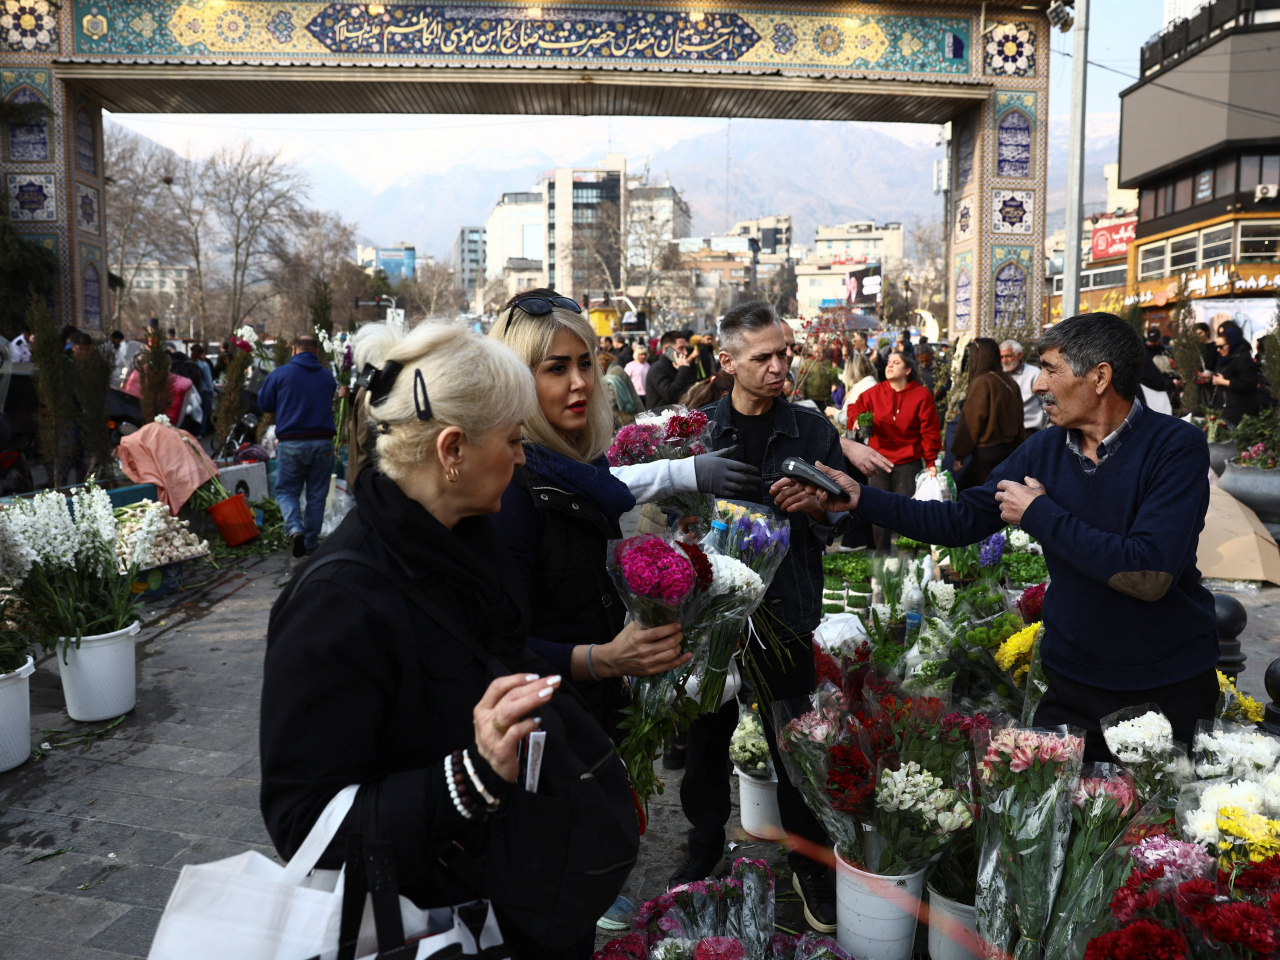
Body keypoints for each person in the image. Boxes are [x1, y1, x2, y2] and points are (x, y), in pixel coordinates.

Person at [261, 321, 631, 959]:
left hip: (514, 900)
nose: (521, 458)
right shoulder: (336, 603)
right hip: (431, 927)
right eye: (513, 440)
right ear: (452, 449)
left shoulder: (462, 540)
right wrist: (470, 774)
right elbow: (308, 832)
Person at [776, 312, 1219, 765]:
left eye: (1050, 369)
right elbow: (959, 521)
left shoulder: (1174, 447)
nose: (1037, 385)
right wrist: (859, 499)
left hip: (1164, 685)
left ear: (1100, 376)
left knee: (1159, 832)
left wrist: (1040, 514)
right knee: (1057, 825)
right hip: (1073, 684)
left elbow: (1148, 571)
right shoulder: (1045, 450)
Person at [487, 291, 758, 932]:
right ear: (513, 379)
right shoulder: (512, 488)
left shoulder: (585, 469)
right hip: (540, 740)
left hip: (588, 722)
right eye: (555, 368)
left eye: (585, 361)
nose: (580, 382)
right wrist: (596, 658)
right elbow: (495, 648)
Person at [675, 300, 847, 933]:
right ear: (727, 363)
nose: (779, 367)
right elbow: (666, 516)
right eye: (763, 358)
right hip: (711, 616)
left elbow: (843, 515)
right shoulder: (696, 433)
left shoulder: (810, 431)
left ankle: (809, 863)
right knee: (705, 739)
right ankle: (702, 845)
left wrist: (820, 506)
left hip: (787, 607)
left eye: (785, 354)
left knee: (794, 742)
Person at [846, 348, 941, 550]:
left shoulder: (921, 395)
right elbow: (855, 407)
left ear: (907, 370)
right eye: (888, 362)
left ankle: (908, 561)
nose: (889, 365)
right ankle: (882, 561)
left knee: (906, 513)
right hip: (878, 460)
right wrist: (854, 420)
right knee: (877, 512)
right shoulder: (875, 392)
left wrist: (931, 462)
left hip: (908, 462)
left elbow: (929, 431)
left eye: (896, 363)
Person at [258, 335, 338, 561]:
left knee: (286, 491)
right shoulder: (327, 377)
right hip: (323, 443)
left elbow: (264, 404)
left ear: (294, 350)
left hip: (292, 443)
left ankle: (295, 529)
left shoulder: (280, 374)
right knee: (317, 494)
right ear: (317, 353)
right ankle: (311, 542)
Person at [953, 338, 1026, 490]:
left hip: (986, 453)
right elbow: (1020, 419)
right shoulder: (1010, 381)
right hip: (1008, 450)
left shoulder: (982, 382)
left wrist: (960, 454)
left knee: (984, 498)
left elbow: (971, 421)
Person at [1210, 324, 1258, 426]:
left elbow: (1248, 384)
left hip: (1238, 411)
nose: (1218, 350)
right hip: (1222, 409)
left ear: (1231, 343)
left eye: (1221, 346)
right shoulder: (1222, 358)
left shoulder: (1243, 358)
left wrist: (1224, 382)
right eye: (1216, 347)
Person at [1000, 339, 1046, 434]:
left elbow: (1045, 402)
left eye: (1008, 356)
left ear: (1019, 355)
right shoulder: (999, 375)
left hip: (1029, 429)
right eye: (1001, 357)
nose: (1004, 360)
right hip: (1004, 432)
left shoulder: (1033, 373)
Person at [646, 330, 699, 407]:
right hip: (661, 417)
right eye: (681, 348)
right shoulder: (657, 368)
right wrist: (683, 369)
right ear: (667, 349)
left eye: (686, 348)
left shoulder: (677, 365)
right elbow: (670, 395)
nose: (685, 352)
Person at [189, 344, 215, 436]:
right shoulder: (204, 365)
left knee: (196, 411)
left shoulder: (190, 363)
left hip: (195, 390)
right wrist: (212, 390)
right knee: (205, 411)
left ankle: (195, 430)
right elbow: (208, 379)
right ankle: (202, 430)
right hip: (205, 390)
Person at [624, 344, 651, 409]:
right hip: (635, 394)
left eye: (644, 354)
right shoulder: (630, 365)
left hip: (647, 394)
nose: (643, 356)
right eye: (641, 354)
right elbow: (625, 380)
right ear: (637, 355)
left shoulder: (647, 365)